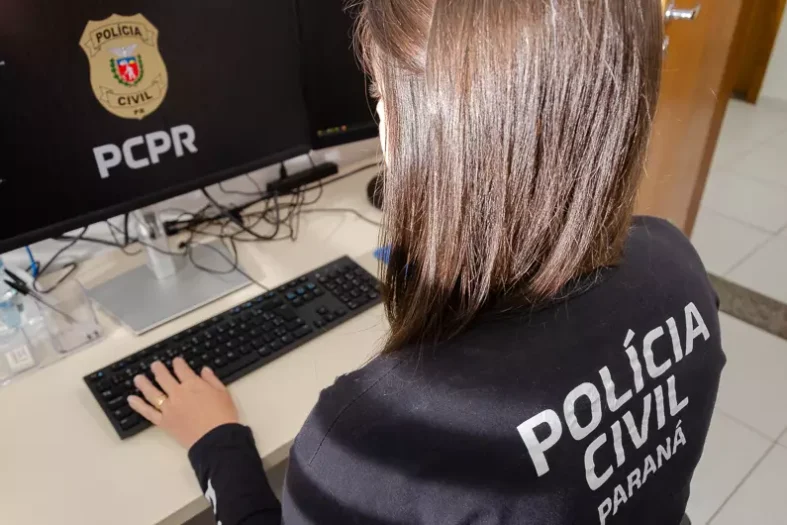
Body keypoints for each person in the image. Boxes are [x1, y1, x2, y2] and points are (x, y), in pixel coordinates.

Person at [128, 1, 724, 524]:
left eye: (382, 95)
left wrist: (217, 442)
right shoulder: (676, 267)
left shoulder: (373, 441)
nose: (382, 119)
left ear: (430, 129)